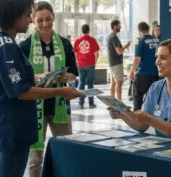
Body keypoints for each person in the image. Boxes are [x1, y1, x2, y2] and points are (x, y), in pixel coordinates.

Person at [0, 1, 82, 176]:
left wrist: (64, 80)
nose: (30, 20)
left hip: (22, 124)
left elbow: (19, 83)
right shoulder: (10, 46)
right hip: (14, 128)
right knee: (26, 164)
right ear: (14, 17)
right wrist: (60, 90)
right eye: (29, 16)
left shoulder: (63, 44)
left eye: (48, 19)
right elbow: (20, 90)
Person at [109, 39, 171, 141]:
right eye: (157, 58)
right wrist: (123, 115)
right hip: (160, 149)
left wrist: (149, 119)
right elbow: (142, 126)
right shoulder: (155, 87)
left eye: (163, 58)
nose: (157, 62)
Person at [128, 22, 159, 111]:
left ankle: (137, 118)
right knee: (154, 99)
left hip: (143, 74)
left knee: (137, 97)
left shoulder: (141, 41)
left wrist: (132, 72)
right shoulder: (157, 40)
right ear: (149, 29)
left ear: (139, 31)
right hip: (156, 74)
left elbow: (137, 58)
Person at [74, 24, 100, 109]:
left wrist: (76, 62)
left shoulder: (77, 40)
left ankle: (81, 102)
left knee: (81, 83)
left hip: (81, 65)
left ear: (82, 30)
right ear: (89, 30)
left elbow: (75, 53)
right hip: (90, 64)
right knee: (90, 84)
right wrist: (95, 62)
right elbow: (97, 53)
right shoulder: (93, 40)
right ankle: (91, 103)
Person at [107, 20, 131, 101]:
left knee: (113, 83)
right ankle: (119, 103)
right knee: (119, 83)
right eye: (119, 25)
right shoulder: (114, 37)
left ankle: (112, 101)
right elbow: (119, 52)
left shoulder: (109, 36)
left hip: (112, 63)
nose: (120, 27)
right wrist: (125, 47)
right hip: (117, 63)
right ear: (114, 26)